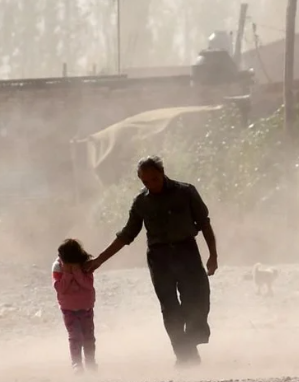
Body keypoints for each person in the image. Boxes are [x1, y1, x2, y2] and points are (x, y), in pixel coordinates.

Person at [85, 155, 218, 368]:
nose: (151, 184)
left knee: (198, 299)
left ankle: (190, 342)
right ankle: (183, 356)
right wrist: (100, 259)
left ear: (162, 173)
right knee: (170, 308)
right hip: (160, 258)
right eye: (145, 181)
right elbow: (127, 234)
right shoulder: (142, 202)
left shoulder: (185, 192)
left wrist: (213, 255)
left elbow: (204, 223)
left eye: (154, 179)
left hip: (187, 253)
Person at [52, 238, 97, 373]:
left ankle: (90, 363)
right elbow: (60, 288)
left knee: (88, 337)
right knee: (75, 337)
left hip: (86, 308)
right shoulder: (58, 267)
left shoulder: (85, 265)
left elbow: (88, 285)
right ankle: (76, 364)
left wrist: (77, 272)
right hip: (69, 310)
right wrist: (67, 273)